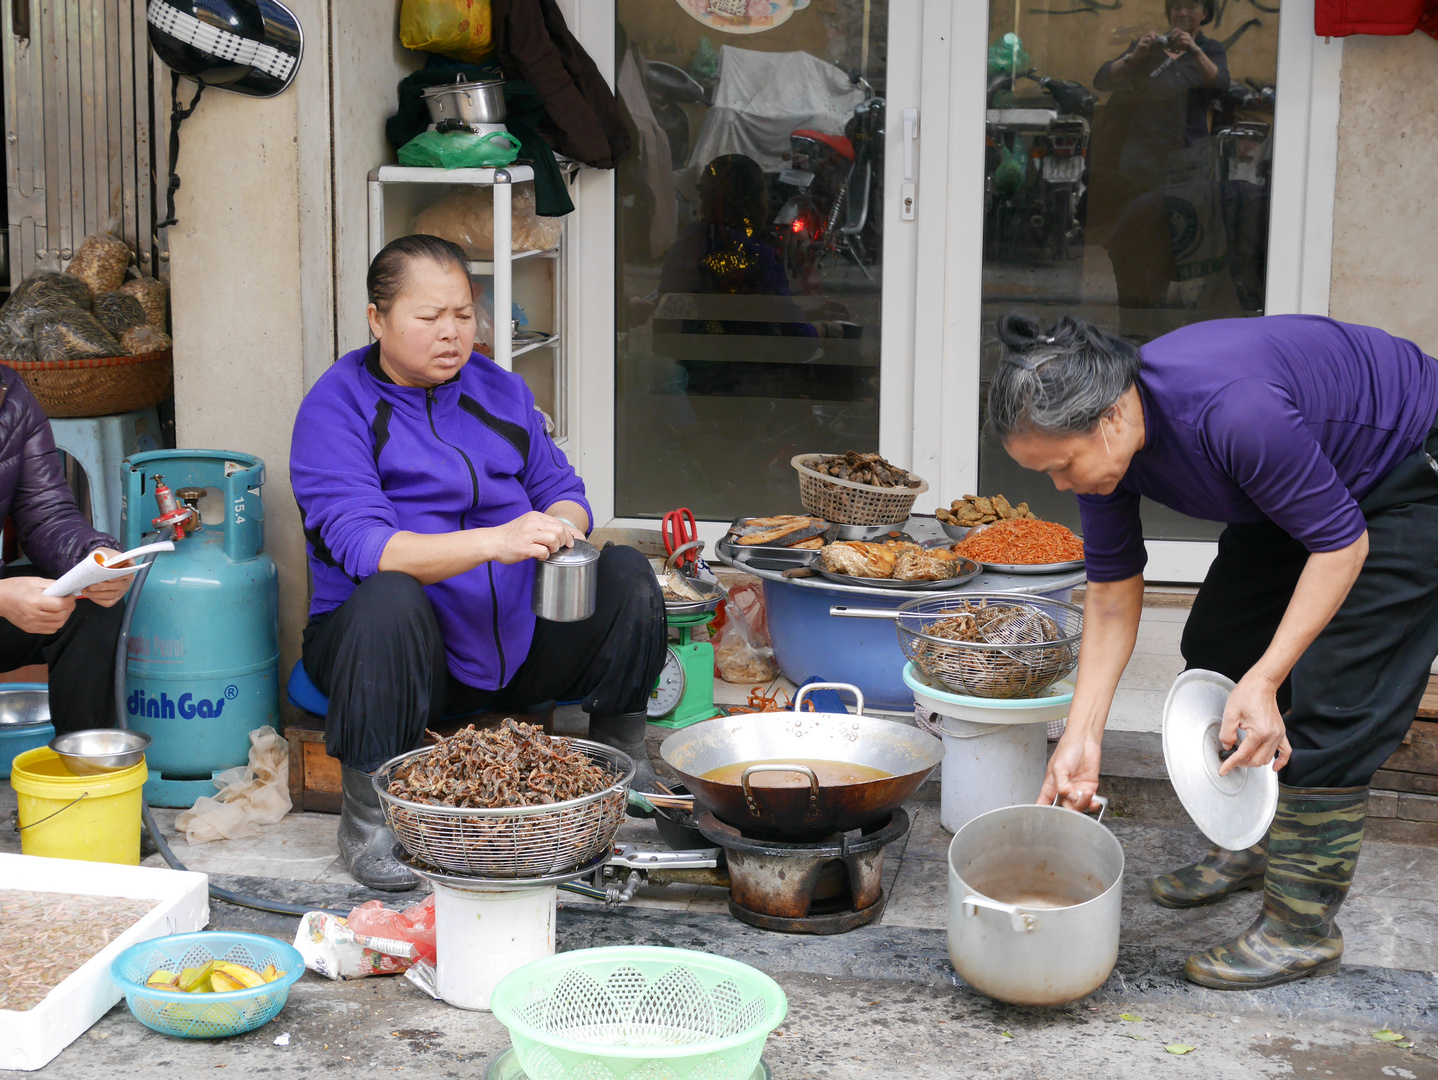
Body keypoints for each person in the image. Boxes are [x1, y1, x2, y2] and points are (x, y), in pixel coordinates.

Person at [988, 310, 1438, 990]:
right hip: (1312, 472)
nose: (1060, 486)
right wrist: (1080, 736)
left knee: (1339, 688)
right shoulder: (1105, 453)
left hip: (1409, 473)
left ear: (1109, 420)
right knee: (1221, 646)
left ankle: (1300, 930)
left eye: (1061, 467)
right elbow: (1111, 593)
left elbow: (1340, 545)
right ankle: (1257, 837)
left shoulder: (1233, 414)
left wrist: (1270, 680)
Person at [290, 235, 666, 891]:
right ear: (377, 319)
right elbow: (367, 549)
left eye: (463, 314)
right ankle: (370, 825)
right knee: (388, 596)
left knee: (628, 573)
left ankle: (622, 759)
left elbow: (565, 493)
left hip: (515, 645)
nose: (452, 333)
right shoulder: (337, 407)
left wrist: (559, 532)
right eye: (428, 317)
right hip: (403, 656)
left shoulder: (500, 390)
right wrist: (497, 540)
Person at [0, 367, 133, 730]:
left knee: (90, 610)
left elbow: (44, 511)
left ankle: (84, 771)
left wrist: (93, 559)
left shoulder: (9, 394)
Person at [1087, 0, 1232, 314]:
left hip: (1186, 161)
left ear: (1204, 13)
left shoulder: (1209, 49)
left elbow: (1221, 84)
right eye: (1177, 7)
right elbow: (1102, 79)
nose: (1182, 13)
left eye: (1191, 7)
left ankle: (1182, 310)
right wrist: (1135, 55)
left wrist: (1194, 49)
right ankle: (1140, 305)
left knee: (1182, 236)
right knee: (1140, 232)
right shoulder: (1150, 48)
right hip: (1141, 159)